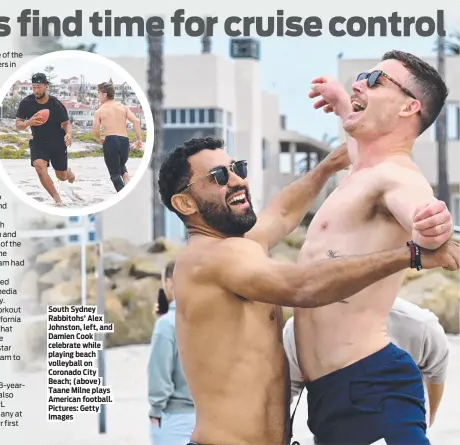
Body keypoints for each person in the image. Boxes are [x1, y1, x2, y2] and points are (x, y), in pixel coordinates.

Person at [156, 136, 458, 445]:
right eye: (219, 176)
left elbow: (282, 214)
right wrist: (411, 255)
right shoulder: (207, 258)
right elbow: (304, 286)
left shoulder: (238, 245)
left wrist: (327, 167)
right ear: (185, 203)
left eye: (237, 168)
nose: (236, 180)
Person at [293, 49, 456, 444]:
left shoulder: (397, 178)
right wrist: (341, 104)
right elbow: (361, 147)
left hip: (370, 386)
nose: (358, 83)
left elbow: (424, 221)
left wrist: (434, 229)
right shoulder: (363, 169)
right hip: (335, 393)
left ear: (409, 108)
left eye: (375, 80)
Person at [283, 297, 450, 442]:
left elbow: (436, 374)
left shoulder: (419, 325)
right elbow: (283, 397)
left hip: (398, 411)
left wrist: (428, 420)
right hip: (334, 420)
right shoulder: (299, 330)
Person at [148, 260, 195, 445]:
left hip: (175, 418)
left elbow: (159, 378)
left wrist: (155, 411)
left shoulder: (167, 326)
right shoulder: (211, 319)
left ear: (170, 283)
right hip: (208, 418)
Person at [15, 72, 75, 205]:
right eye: (34, 87)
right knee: (39, 167)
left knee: (62, 176)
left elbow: (66, 124)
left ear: (46, 86)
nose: (36, 90)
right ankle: (58, 200)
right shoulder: (26, 103)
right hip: (39, 142)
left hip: (57, 142)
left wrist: (68, 134)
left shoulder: (55, 104)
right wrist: (28, 122)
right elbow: (18, 125)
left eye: (39, 87)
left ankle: (68, 172)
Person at [92, 81, 143, 192]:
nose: (98, 96)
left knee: (114, 175)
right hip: (124, 142)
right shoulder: (123, 108)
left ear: (104, 95)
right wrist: (139, 139)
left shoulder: (100, 111)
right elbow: (136, 122)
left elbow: (95, 130)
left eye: (99, 93)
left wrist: (99, 138)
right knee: (120, 165)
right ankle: (127, 178)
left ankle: (126, 197)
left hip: (111, 141)